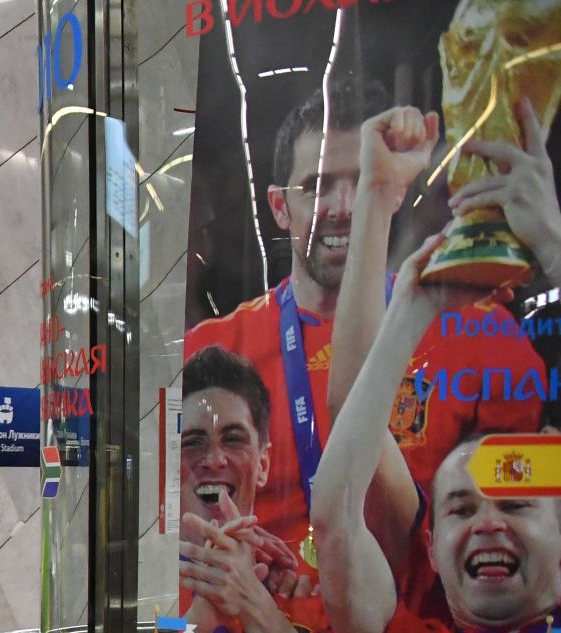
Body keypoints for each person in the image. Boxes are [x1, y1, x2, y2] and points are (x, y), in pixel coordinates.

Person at [186, 76, 542, 582]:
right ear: (280, 208)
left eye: (364, 182)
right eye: (317, 186)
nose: (344, 207)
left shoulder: (476, 332)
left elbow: (532, 499)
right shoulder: (211, 354)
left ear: (392, 194)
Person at [316, 230, 561, 633]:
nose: (488, 524)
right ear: (430, 548)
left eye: (514, 505)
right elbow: (335, 516)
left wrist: (549, 238)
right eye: (461, 510)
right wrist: (412, 310)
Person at [175, 347, 338, 633]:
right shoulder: (150, 589)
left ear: (263, 465)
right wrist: (196, 624)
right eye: (193, 443)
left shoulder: (297, 591)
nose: (214, 459)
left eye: (233, 439)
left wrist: (252, 600)